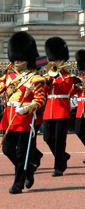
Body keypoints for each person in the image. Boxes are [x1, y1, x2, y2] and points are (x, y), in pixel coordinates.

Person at [0, 31, 46, 194]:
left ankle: (18, 184)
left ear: (27, 60)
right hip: (9, 117)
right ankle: (30, 168)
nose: (16, 62)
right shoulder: (7, 78)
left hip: (25, 118)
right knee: (7, 149)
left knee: (21, 153)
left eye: (19, 60)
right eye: (15, 59)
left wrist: (26, 108)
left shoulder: (35, 79)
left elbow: (41, 100)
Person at [43, 37, 77, 177]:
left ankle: (59, 167)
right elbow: (43, 91)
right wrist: (48, 82)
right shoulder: (47, 75)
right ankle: (63, 156)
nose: (54, 62)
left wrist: (57, 77)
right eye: (53, 60)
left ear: (62, 61)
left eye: (56, 60)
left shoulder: (68, 76)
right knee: (47, 138)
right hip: (49, 110)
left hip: (61, 110)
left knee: (59, 140)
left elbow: (65, 89)